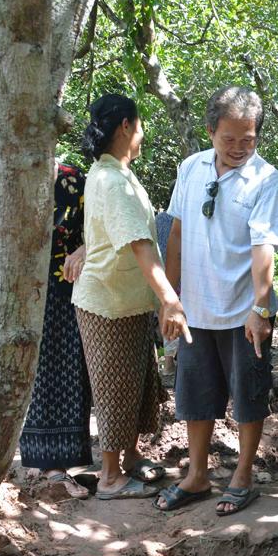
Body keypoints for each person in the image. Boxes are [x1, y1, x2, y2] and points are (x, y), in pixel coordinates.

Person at [157, 86, 278, 516]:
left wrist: (261, 308)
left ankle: (243, 476)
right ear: (211, 131)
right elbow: (176, 233)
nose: (238, 148)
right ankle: (197, 476)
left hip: (243, 311)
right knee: (195, 394)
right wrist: (170, 297)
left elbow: (264, 248)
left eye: (247, 139)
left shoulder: (266, 180)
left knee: (249, 394)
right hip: (195, 307)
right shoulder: (191, 168)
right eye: (229, 138)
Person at [72, 93, 190, 500]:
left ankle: (131, 456)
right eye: (140, 125)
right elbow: (140, 244)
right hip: (109, 303)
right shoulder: (113, 181)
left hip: (127, 299)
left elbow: (107, 233)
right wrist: (170, 299)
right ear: (126, 126)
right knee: (115, 387)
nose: (142, 133)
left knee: (136, 383)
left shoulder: (114, 172)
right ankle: (110, 477)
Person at [19, 162, 93, 498]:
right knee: (31, 373)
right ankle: (39, 460)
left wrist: (84, 248)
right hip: (19, 290)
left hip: (66, 288)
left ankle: (57, 464)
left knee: (64, 371)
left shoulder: (73, 179)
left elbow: (99, 227)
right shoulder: (7, 174)